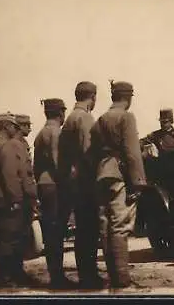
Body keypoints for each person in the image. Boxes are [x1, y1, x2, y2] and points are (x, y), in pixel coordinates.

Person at [89, 81, 147, 289]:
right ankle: (123, 280)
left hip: (101, 175)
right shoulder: (126, 117)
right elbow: (132, 152)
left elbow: (93, 151)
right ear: (129, 97)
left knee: (106, 228)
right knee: (120, 228)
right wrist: (138, 183)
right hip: (119, 176)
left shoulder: (101, 119)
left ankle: (113, 278)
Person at [0, 113, 39, 287]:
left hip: (0, 197)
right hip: (6, 199)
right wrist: (16, 199)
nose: (15, 129)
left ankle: (14, 274)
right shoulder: (2, 146)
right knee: (9, 239)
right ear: (6, 126)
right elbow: (9, 175)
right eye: (13, 126)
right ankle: (8, 277)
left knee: (10, 238)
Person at [57, 81, 103, 289]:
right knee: (89, 231)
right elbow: (88, 152)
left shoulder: (69, 119)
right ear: (92, 96)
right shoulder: (84, 118)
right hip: (86, 183)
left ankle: (87, 274)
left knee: (83, 231)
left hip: (73, 183)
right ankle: (89, 277)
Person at [33, 98, 74, 288]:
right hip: (56, 186)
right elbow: (59, 165)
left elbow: (35, 167)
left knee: (51, 231)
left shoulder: (41, 133)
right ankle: (57, 278)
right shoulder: (56, 132)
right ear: (61, 113)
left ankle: (55, 275)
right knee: (56, 232)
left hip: (44, 185)